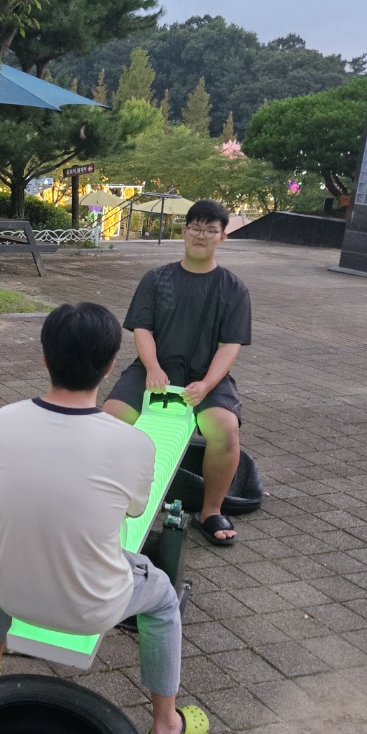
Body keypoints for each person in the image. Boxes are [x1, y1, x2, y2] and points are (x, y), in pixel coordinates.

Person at [0, 303, 209, 734]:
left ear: (45, 358)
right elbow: (136, 511)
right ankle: (165, 725)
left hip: (9, 592)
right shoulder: (133, 443)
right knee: (161, 597)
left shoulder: (2, 419)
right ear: (111, 366)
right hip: (92, 608)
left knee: (11, 547)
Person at [101, 200, 251, 546]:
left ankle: (210, 511)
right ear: (184, 232)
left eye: (210, 230)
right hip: (153, 370)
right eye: (195, 228)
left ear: (222, 237)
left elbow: (230, 345)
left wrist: (208, 384)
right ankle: (107, 503)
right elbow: (142, 329)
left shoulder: (233, 288)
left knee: (225, 427)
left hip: (206, 375)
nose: (201, 235)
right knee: (110, 419)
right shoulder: (157, 279)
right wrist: (153, 367)